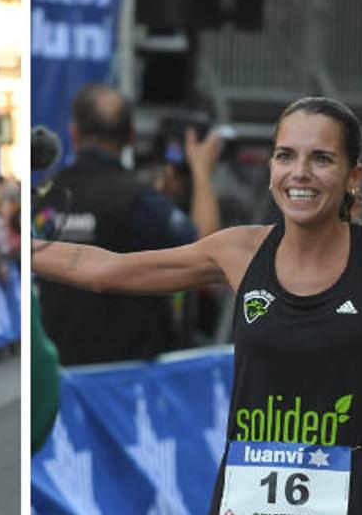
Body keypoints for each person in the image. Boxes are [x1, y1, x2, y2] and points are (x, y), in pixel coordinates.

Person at [32, 96, 362, 515]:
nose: (299, 172)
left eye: (321, 158)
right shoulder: (238, 250)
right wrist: (21, 247)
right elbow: (105, 271)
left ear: (353, 178)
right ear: (271, 169)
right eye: (286, 155)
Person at [36, 84, 223, 366]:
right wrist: (201, 171)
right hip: (123, 382)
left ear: (73, 133)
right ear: (131, 136)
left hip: (61, 374)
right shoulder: (137, 200)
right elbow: (210, 250)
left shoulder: (45, 198)